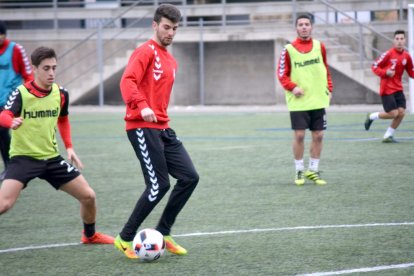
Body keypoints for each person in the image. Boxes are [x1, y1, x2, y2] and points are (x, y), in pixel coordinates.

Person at [0, 46, 114, 245]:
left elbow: (63, 119)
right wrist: (11, 122)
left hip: (52, 159)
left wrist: (69, 147)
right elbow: (3, 115)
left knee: (88, 196)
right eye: (46, 68)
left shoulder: (61, 93)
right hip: (23, 159)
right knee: (4, 204)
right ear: (34, 69)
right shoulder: (21, 93)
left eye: (54, 67)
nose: (51, 73)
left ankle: (90, 235)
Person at [115, 4, 199, 259]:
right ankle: (125, 238)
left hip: (162, 127)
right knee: (158, 185)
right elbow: (127, 81)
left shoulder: (171, 59)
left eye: (174, 28)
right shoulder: (144, 52)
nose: (170, 33)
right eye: (166, 27)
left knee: (189, 177)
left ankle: (164, 231)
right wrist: (142, 107)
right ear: (155, 25)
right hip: (141, 126)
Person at [277, 14, 333, 186]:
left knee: (319, 135)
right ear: (296, 28)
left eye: (306, 24)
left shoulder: (319, 46)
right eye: (300, 24)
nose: (304, 27)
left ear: (311, 27)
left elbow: (325, 68)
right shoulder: (289, 49)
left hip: (317, 99)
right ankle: (299, 170)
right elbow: (281, 74)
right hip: (299, 101)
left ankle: (313, 170)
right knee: (300, 135)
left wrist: (329, 87)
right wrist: (293, 87)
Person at [364, 30, 414, 142]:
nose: (399, 41)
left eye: (401, 39)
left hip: (398, 88)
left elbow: (411, 72)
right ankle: (372, 116)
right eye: (397, 39)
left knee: (401, 113)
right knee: (393, 113)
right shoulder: (388, 54)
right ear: (393, 40)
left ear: (405, 40)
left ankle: (388, 135)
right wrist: (385, 72)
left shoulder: (407, 56)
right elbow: (374, 66)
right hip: (387, 89)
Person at [0, 21, 33, 180]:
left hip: (11, 100)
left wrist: (30, 94)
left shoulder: (15, 49)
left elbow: (28, 74)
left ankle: (12, 166)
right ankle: (11, 166)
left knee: (3, 131)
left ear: (5, 35)